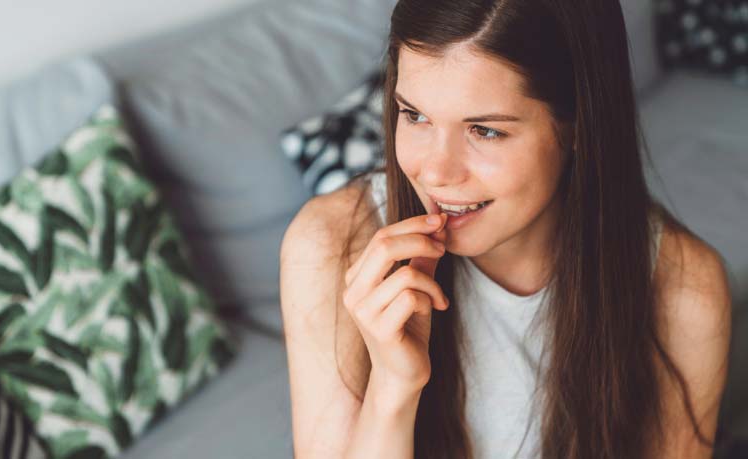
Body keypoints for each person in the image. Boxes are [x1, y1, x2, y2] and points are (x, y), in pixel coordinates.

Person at [279, 0, 733, 457]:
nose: (434, 173)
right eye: (414, 115)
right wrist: (392, 391)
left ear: (578, 125)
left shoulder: (685, 291)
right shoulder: (328, 245)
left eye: (484, 131)